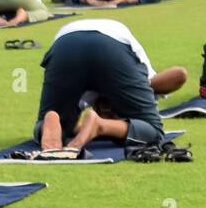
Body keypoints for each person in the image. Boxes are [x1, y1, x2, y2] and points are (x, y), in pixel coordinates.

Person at [33, 17, 186, 157]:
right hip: (112, 45)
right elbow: (180, 74)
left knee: (58, 123)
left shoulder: (84, 98)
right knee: (153, 131)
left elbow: (180, 75)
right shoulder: (135, 84)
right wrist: (145, 86)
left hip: (65, 43)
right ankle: (99, 126)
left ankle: (52, 119)